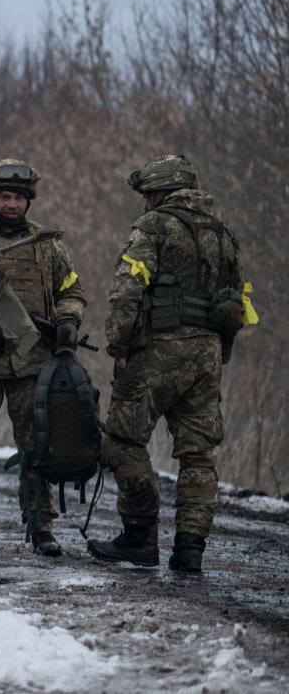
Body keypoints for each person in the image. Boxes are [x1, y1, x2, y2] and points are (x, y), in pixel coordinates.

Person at [88, 155, 251, 573]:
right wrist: (220, 353)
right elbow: (237, 304)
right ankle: (190, 549)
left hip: (157, 353)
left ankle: (140, 536)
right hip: (206, 357)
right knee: (198, 456)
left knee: (123, 440)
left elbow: (127, 288)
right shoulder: (226, 234)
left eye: (147, 195)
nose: (144, 203)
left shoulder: (154, 226)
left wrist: (118, 344)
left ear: (159, 191)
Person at [0, 159, 86, 556]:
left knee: (37, 446)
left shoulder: (48, 246)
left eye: (18, 198)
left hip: (32, 360)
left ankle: (42, 528)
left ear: (28, 201)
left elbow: (72, 290)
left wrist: (68, 319)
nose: (11, 205)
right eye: (4, 197)